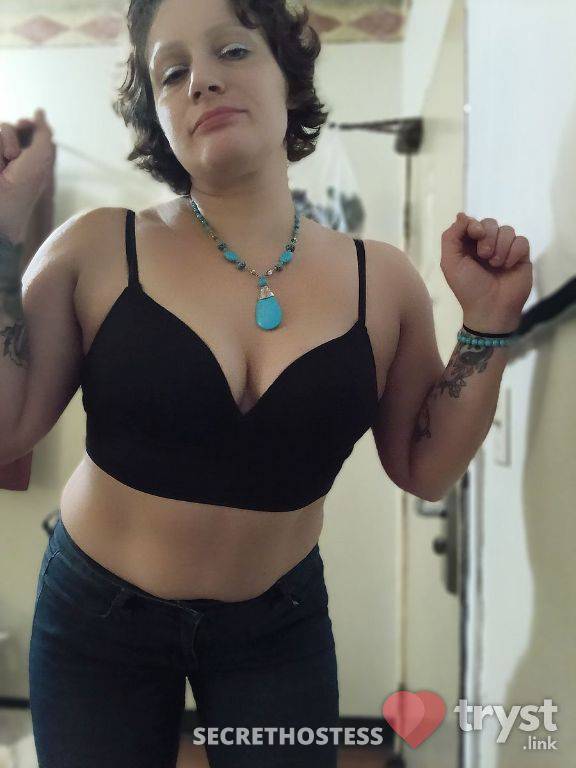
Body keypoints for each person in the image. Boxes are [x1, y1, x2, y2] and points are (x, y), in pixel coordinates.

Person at [0, 0, 458, 765]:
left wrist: (488, 325)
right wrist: (3, 225)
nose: (202, 81)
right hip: (96, 620)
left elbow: (426, 467)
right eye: (171, 72)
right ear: (157, 114)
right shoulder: (97, 248)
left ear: (288, 76)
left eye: (233, 51)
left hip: (277, 627)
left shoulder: (383, 279)